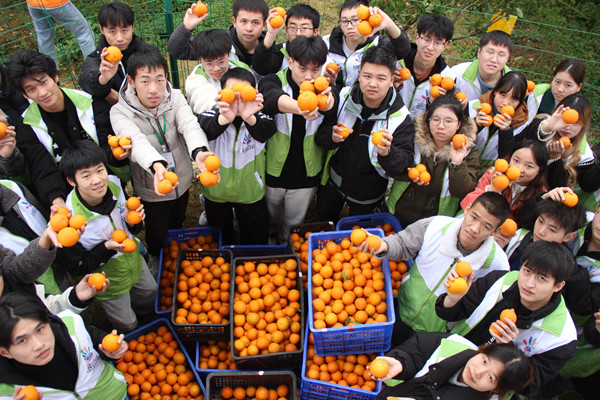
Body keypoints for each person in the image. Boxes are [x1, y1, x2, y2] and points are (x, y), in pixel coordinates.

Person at [109, 49, 211, 272]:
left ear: (166, 77)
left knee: (177, 216)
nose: (154, 89)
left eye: (159, 79)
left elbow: (189, 125)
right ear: (131, 81)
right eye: (145, 81)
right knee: (156, 226)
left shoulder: (175, 97)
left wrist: (199, 151)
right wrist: (157, 166)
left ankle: (175, 243)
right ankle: (156, 254)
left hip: (181, 177)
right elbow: (136, 141)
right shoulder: (119, 112)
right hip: (151, 183)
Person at [436, 240, 578, 398]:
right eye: (527, 271)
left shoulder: (562, 337)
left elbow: (530, 386)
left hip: (483, 393)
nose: (529, 283)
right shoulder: (501, 280)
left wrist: (509, 351)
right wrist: (452, 299)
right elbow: (452, 313)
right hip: (449, 359)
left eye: (542, 278)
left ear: (558, 286)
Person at [363, 192, 511, 342]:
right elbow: (403, 243)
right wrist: (384, 245)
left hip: (435, 335)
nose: (475, 228)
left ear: (495, 231)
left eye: (486, 226)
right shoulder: (436, 226)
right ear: (467, 209)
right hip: (403, 307)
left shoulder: (497, 265)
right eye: (474, 217)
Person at [57, 141, 156, 331]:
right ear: (72, 181)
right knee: (126, 322)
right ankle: (133, 331)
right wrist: (106, 248)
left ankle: (149, 317)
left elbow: (129, 226)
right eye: (86, 175)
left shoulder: (115, 185)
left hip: (134, 261)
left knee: (150, 293)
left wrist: (133, 223)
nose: (97, 180)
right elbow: (78, 266)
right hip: (109, 281)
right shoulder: (69, 220)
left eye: (99, 170)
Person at [6, 49, 116, 211]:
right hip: (66, 194)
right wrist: (57, 200)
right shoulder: (27, 125)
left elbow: (107, 145)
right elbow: (41, 167)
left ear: (55, 77)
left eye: (44, 82)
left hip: (104, 182)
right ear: (25, 95)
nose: (42, 93)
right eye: (31, 89)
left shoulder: (89, 103)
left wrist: (117, 156)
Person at [315, 44, 414, 222]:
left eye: (381, 78)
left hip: (368, 195)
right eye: (367, 76)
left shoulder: (400, 118)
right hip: (333, 184)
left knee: (357, 235)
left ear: (392, 80)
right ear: (359, 74)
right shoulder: (343, 97)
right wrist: (331, 137)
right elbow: (320, 135)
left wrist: (388, 153)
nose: (372, 84)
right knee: (323, 223)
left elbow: (405, 164)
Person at [258, 35, 336, 244]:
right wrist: (301, 108)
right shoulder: (275, 81)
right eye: (302, 68)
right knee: (270, 217)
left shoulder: (324, 89)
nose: (308, 76)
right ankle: (270, 245)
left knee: (294, 222)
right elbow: (270, 97)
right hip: (275, 168)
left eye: (315, 69)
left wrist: (328, 105)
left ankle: (287, 247)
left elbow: (332, 106)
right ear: (290, 62)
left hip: (306, 172)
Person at [197, 68, 276, 244]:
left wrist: (249, 117)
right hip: (216, 189)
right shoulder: (211, 114)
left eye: (244, 94)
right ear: (222, 94)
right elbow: (204, 128)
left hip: (250, 190)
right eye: (233, 94)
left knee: (256, 237)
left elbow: (266, 131)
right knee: (220, 238)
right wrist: (225, 118)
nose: (238, 100)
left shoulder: (260, 117)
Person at [0, 292, 128, 399]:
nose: (39, 345)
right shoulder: (6, 391)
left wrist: (110, 352)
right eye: (22, 340)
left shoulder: (70, 324)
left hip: (115, 394)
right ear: (5, 352)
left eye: (40, 329)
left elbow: (94, 339)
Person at [387, 95, 479, 227]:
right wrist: (408, 174)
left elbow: (463, 192)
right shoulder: (412, 137)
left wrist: (457, 164)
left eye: (448, 121)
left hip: (436, 221)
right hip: (399, 212)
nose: (441, 126)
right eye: (435, 119)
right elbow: (392, 168)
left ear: (458, 124)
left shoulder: (468, 151)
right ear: (428, 120)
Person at [373, 332, 533, 400]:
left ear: (496, 390)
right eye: (485, 361)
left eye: (490, 377)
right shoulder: (454, 343)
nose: (478, 372)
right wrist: (401, 362)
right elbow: (419, 349)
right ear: (482, 350)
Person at [79, 1, 158, 106]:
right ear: (102, 29)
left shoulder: (149, 52)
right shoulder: (97, 59)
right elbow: (86, 80)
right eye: (112, 32)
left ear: (132, 26)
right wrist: (103, 79)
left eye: (124, 30)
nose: (119, 38)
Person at [512, 93, 596, 191]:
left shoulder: (583, 155)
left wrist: (555, 158)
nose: (567, 126)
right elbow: (518, 144)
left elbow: (559, 186)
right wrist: (548, 128)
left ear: (584, 125)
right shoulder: (544, 125)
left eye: (576, 123)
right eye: (564, 119)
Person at [324, 0, 410, 88]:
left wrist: (389, 24)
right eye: (344, 21)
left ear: (367, 20)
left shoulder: (378, 44)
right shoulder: (329, 42)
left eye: (355, 20)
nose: (349, 26)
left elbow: (402, 50)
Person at [461, 140, 548, 226]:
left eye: (529, 166)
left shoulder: (539, 193)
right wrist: (494, 190)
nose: (519, 169)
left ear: (539, 170)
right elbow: (470, 204)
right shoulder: (494, 174)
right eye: (516, 161)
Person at [167, 0, 268, 70]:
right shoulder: (220, 41)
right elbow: (176, 50)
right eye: (244, 21)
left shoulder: (271, 49)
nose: (249, 28)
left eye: (255, 22)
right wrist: (186, 27)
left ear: (264, 25)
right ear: (234, 21)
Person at [397, 14, 456, 115]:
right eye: (427, 40)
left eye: (438, 43)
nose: (430, 47)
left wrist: (432, 103)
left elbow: (440, 117)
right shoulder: (397, 62)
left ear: (445, 46)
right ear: (417, 38)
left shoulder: (447, 78)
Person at [469, 71, 530, 169]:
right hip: (464, 163)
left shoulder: (521, 124)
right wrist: (475, 124)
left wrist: (506, 132)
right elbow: (458, 137)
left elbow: (508, 156)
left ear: (520, 102)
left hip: (491, 170)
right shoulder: (474, 107)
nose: (505, 103)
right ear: (495, 91)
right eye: (503, 95)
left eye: (513, 99)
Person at [183, 29, 252, 115]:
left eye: (221, 62)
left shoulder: (242, 68)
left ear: (228, 55)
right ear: (200, 59)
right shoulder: (196, 78)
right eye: (209, 64)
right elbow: (205, 102)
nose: (216, 68)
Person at [252, 4, 323, 75]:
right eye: (293, 27)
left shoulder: (323, 54)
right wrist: (271, 33)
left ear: (315, 32)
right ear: (286, 31)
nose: (298, 33)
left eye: (304, 28)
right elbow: (261, 68)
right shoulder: (281, 52)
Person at [26, 0, 95, 66]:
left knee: (44, 36)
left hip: (33, 3)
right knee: (83, 32)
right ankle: (93, 68)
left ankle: (49, 72)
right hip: (56, 2)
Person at [451, 30, 513, 102]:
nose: (494, 60)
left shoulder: (515, 83)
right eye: (490, 52)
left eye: (501, 55)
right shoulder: (457, 73)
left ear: (508, 58)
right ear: (479, 52)